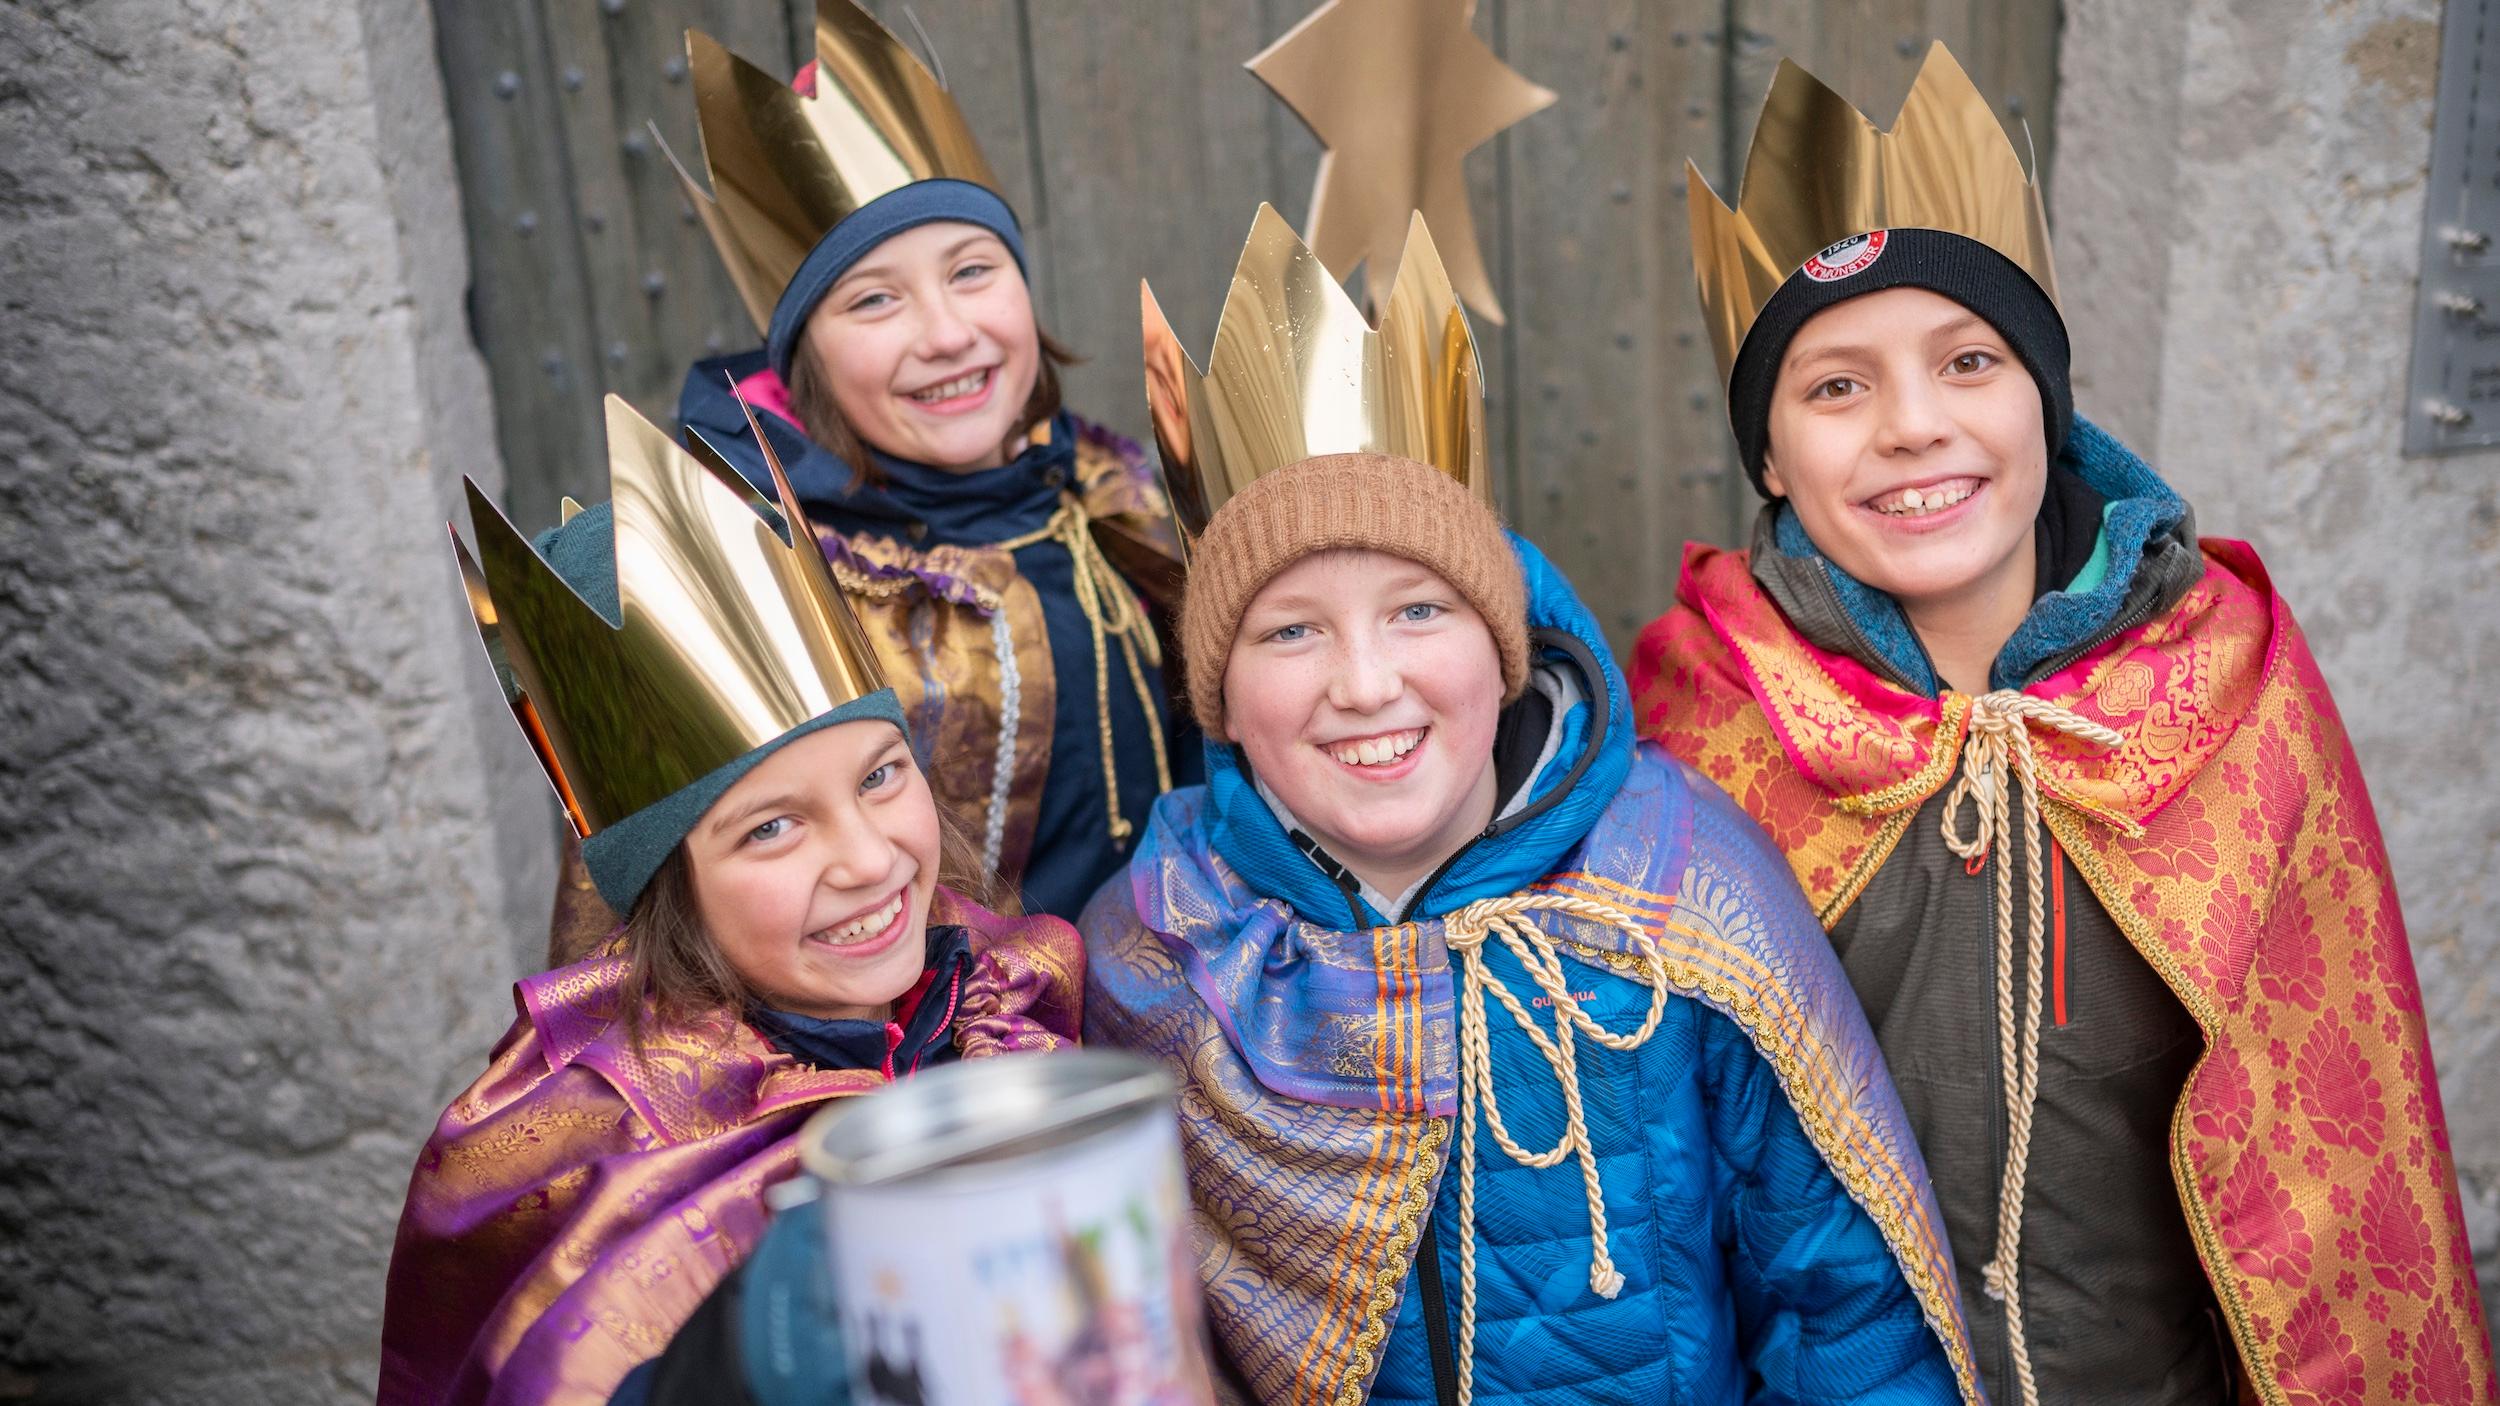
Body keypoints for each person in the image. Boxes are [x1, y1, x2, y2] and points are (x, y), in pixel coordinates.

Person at [1634, 44, 2496, 1406]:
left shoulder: (2229, 685)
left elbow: (2340, 1140)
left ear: (2044, 396)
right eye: (1836, 385)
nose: (1913, 426)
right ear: (1770, 457)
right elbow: (1659, 1167)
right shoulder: (1705, 724)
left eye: (1969, 361)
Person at [1083, 206, 1978, 1404]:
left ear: (1502, 647)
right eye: (1290, 631)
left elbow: (1841, 1306)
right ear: (1221, 700)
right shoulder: (1152, 943)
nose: (1366, 684)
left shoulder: (1678, 880)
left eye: (1419, 610)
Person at [379, 396, 1082, 1405]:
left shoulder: (1013, 992)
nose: (867, 857)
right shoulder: (586, 1152)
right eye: (771, 827)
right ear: (670, 887)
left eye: (881, 775)